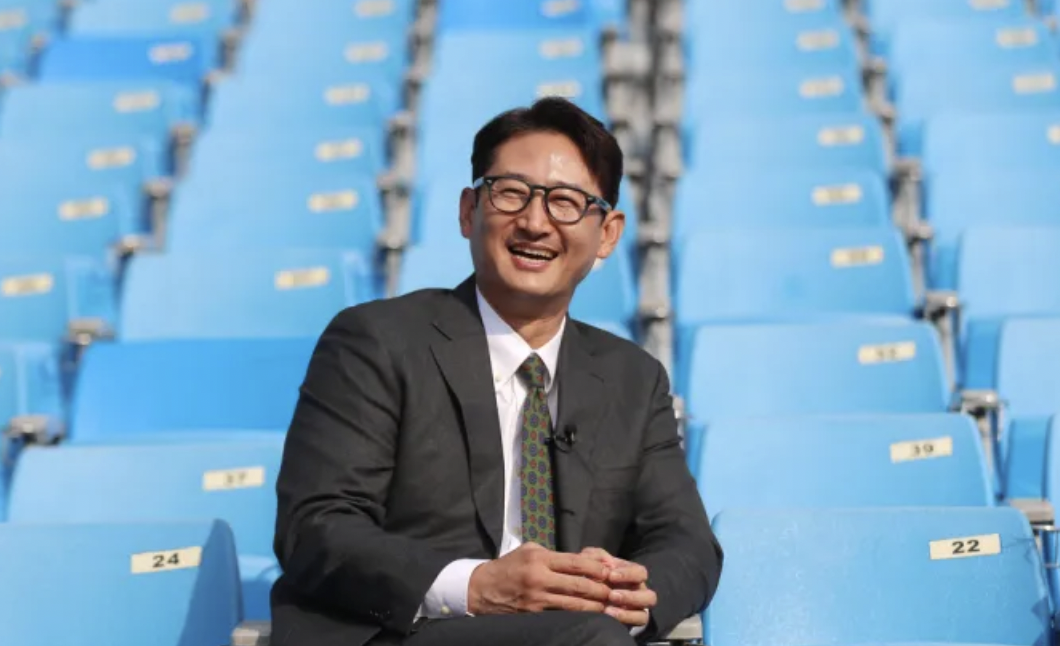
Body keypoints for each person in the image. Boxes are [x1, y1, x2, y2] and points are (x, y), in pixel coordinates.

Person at [271, 97, 723, 646]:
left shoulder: (633, 378)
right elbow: (316, 527)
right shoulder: (376, 342)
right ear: (468, 211)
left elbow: (688, 544)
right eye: (511, 193)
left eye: (566, 202)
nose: (534, 222)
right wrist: (477, 586)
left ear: (607, 233)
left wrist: (625, 594)